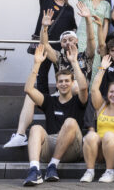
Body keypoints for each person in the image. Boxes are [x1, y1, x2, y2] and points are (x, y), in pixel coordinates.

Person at [7, 5, 95, 150]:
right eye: (64, 41)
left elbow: (92, 40)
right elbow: (44, 45)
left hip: (80, 99)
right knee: (30, 95)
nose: (68, 42)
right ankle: (20, 134)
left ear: (77, 41)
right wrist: (44, 27)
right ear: (61, 44)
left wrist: (88, 19)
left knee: (76, 86)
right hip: (59, 98)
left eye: (71, 39)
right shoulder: (59, 57)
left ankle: (88, 129)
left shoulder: (85, 56)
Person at [22, 45, 87, 186]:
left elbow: (83, 87)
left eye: (67, 81)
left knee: (70, 122)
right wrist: (37, 64)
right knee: (35, 128)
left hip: (72, 148)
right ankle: (34, 170)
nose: (63, 84)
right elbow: (28, 89)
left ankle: (53, 166)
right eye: (60, 81)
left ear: (71, 83)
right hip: (51, 144)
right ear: (57, 85)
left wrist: (74, 62)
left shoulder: (78, 101)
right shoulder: (49, 101)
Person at [27, 0, 76, 98]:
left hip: (60, 48)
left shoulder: (69, 9)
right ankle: (43, 99)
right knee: (41, 73)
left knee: (61, 73)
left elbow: (72, 29)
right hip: (44, 45)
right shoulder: (47, 1)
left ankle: (60, 98)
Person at [81, 54, 114, 183]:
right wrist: (102, 69)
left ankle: (111, 171)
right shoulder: (102, 106)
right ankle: (90, 171)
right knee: (91, 135)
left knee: (109, 136)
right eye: (112, 92)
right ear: (108, 93)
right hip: (100, 148)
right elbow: (94, 90)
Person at [76, 0, 111, 78]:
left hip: (97, 39)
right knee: (79, 67)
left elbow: (105, 25)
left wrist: (102, 43)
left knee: (95, 69)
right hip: (82, 37)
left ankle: (91, 96)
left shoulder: (106, 4)